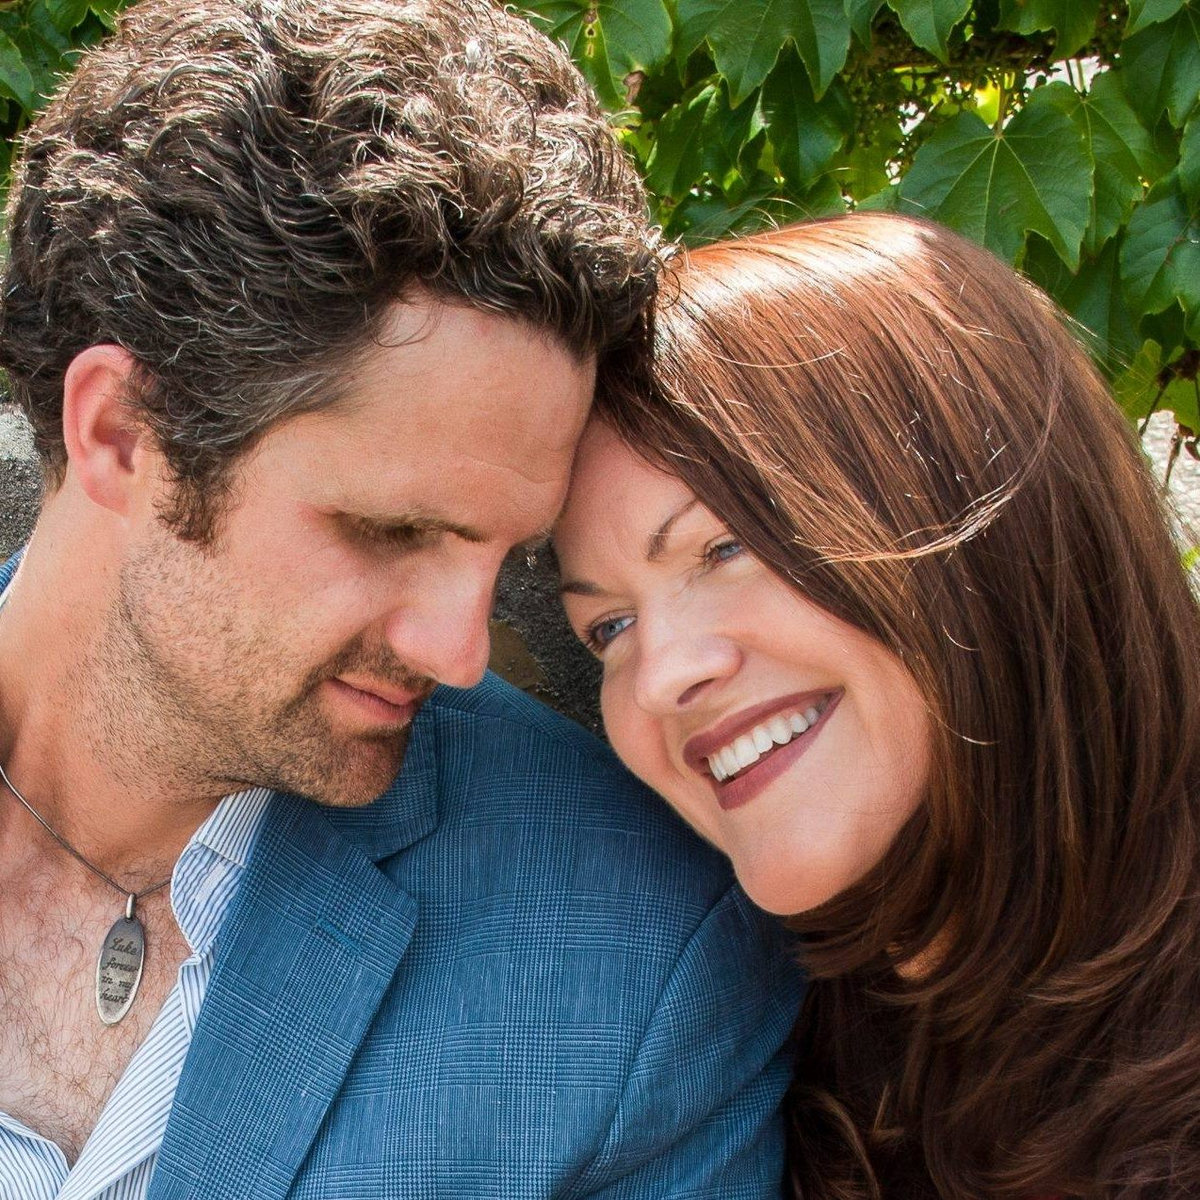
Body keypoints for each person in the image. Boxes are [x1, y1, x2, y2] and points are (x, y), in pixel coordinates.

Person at [0, 1, 803, 1195]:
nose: (461, 652)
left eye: (512, 557)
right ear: (122, 434)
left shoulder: (636, 961)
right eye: (391, 531)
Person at [555, 212, 1200, 1198]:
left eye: (725, 547)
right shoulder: (746, 1055)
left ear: (974, 514)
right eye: (609, 628)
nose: (658, 677)